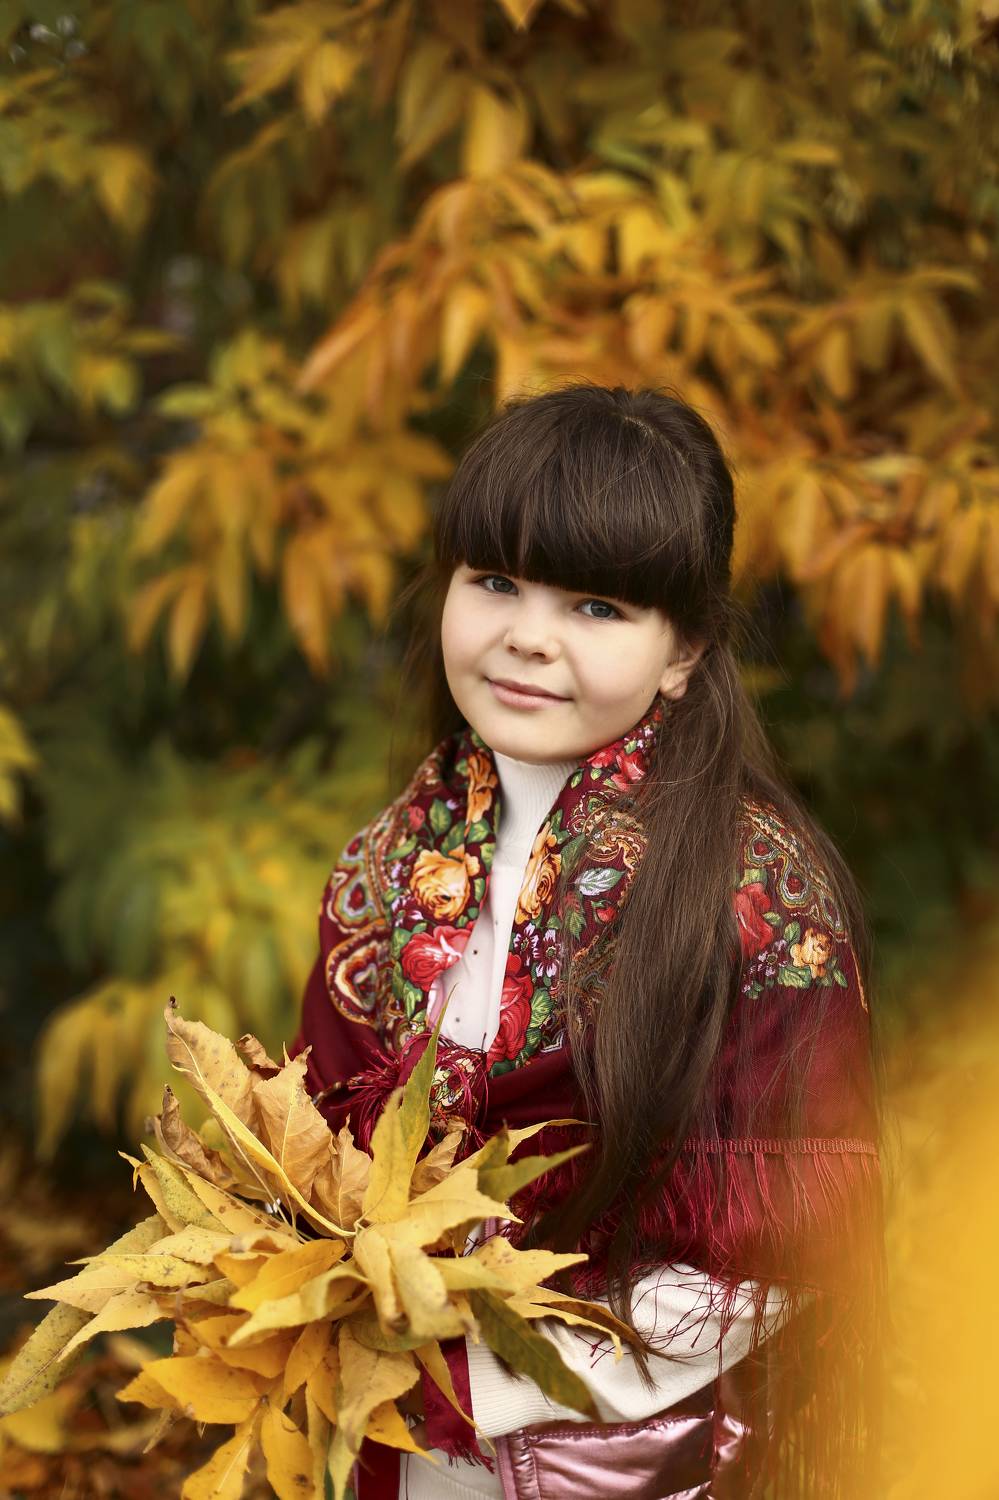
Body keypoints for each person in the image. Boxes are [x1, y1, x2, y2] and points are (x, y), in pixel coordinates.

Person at [290, 383, 885, 1499]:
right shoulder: (384, 865)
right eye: (495, 582)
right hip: (388, 1435)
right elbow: (307, 1155)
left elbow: (784, 1244)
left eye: (596, 606)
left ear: (684, 650)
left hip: (606, 1454)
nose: (528, 636)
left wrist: (481, 1375)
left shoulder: (755, 893)